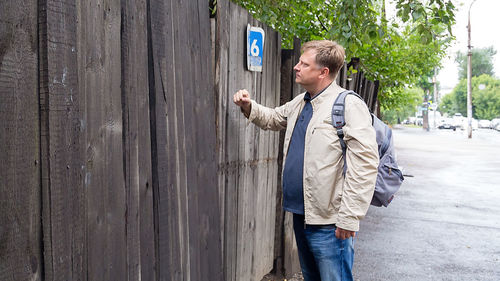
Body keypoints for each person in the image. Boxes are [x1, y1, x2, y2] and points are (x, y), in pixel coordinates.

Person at [233, 40, 379, 281]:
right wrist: (249, 106)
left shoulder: (348, 105)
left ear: (323, 72)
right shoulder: (303, 101)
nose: (296, 67)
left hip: (331, 222)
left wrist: (350, 216)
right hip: (302, 214)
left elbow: (365, 165)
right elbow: (273, 118)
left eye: (304, 63)